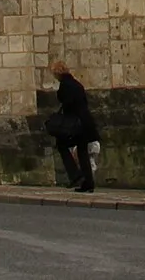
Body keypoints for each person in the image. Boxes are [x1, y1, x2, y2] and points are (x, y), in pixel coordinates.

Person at [48, 60, 98, 192]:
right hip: (85, 122)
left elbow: (67, 103)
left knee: (62, 144)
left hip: (76, 124)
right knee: (82, 152)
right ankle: (88, 182)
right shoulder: (76, 83)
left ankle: (75, 175)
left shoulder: (65, 85)